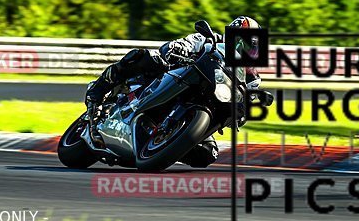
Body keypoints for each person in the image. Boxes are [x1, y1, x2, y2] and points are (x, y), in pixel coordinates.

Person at [84, 16, 263, 168]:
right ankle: (97, 91)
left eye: (253, 48)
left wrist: (244, 109)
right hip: (173, 78)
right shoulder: (209, 41)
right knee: (144, 57)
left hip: (206, 105)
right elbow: (180, 45)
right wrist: (178, 48)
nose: (247, 51)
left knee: (207, 155)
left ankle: (163, 147)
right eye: (244, 44)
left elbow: (241, 114)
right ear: (231, 37)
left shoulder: (252, 79)